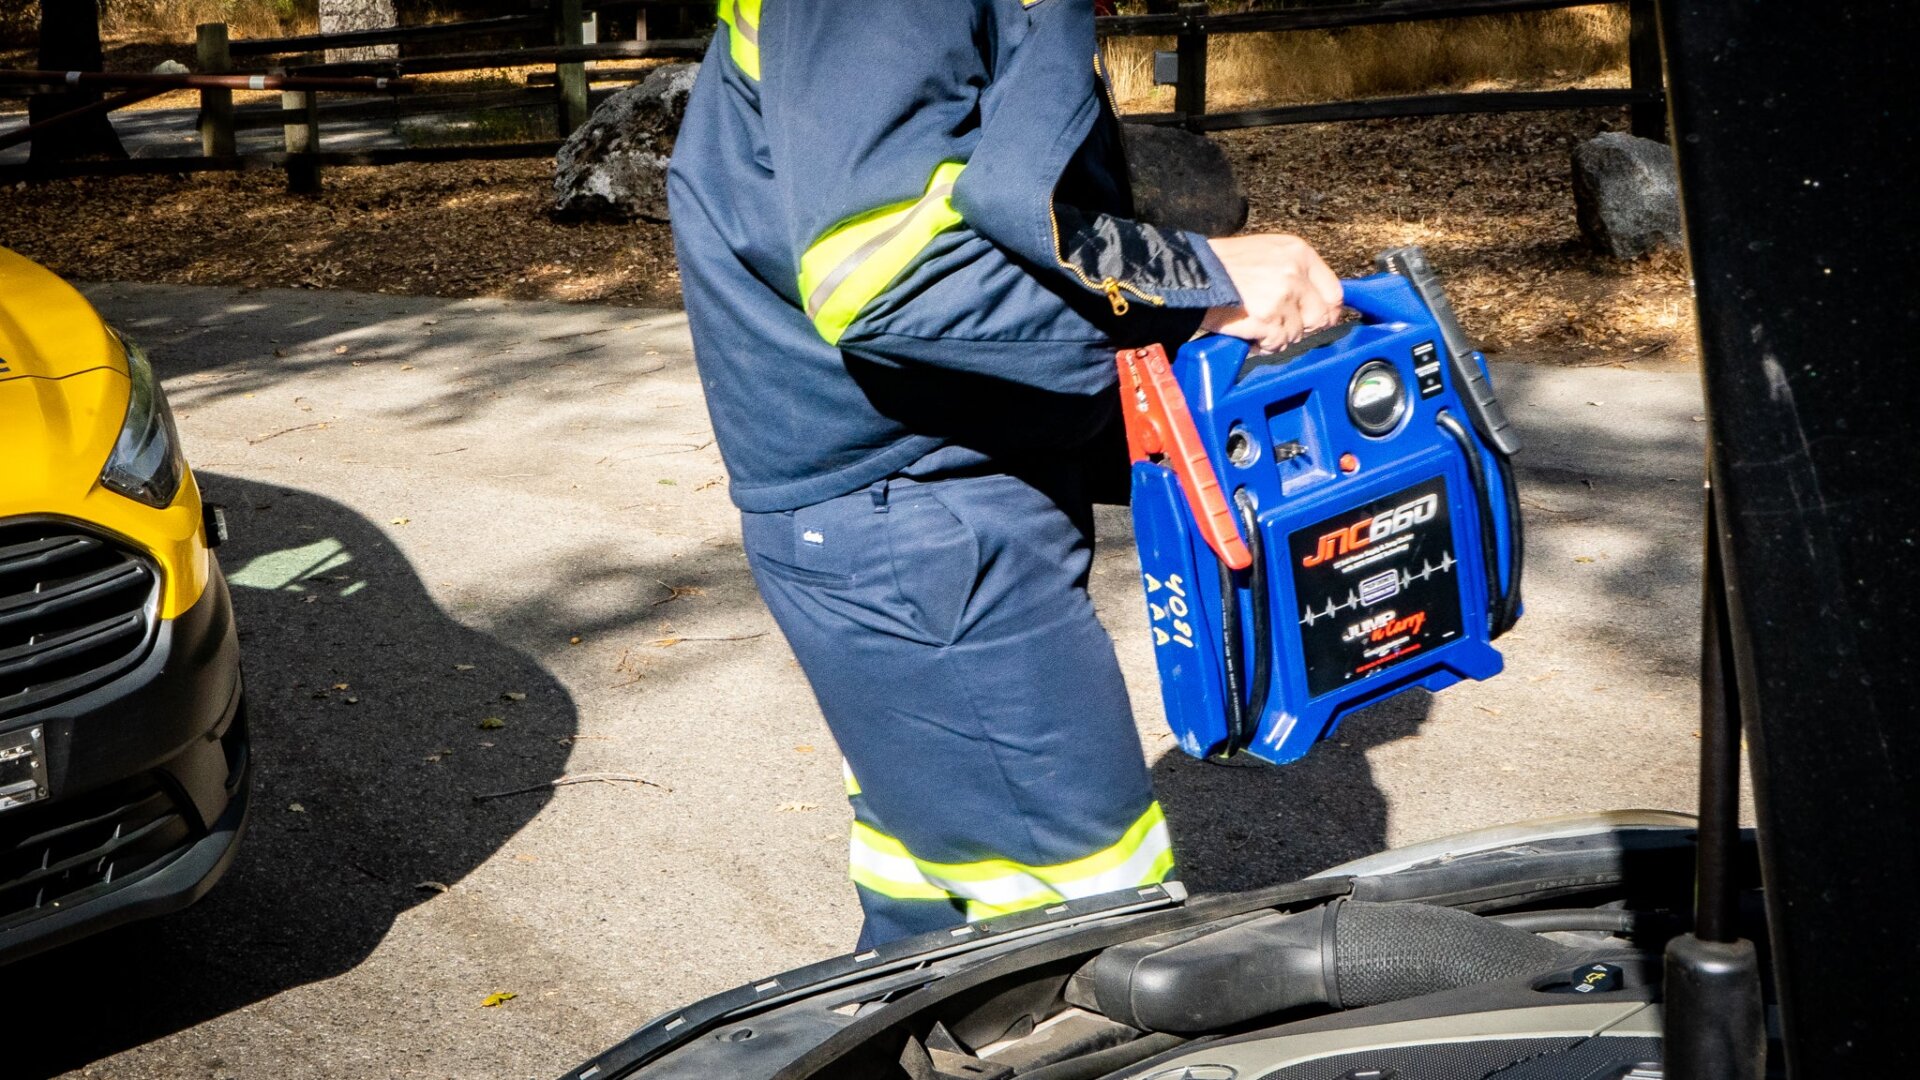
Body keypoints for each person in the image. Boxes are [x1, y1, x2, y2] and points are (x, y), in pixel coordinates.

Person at [667, 0, 1343, 949]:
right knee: (1078, 956)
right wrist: (1191, 282)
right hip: (920, 513)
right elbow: (898, 282)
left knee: (938, 929)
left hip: (930, 495)